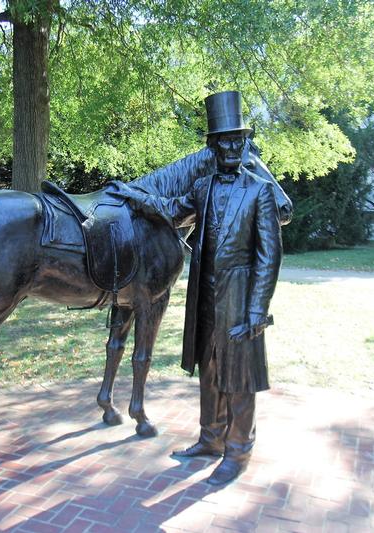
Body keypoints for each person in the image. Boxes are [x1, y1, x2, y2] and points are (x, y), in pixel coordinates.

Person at [111, 90, 282, 485]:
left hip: (240, 297)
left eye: (240, 140)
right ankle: (210, 439)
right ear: (213, 146)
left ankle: (238, 452)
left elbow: (269, 256)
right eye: (226, 140)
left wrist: (257, 309)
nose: (235, 146)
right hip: (205, 293)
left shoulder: (260, 191)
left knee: (238, 376)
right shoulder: (203, 188)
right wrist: (134, 194)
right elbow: (171, 209)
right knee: (209, 369)